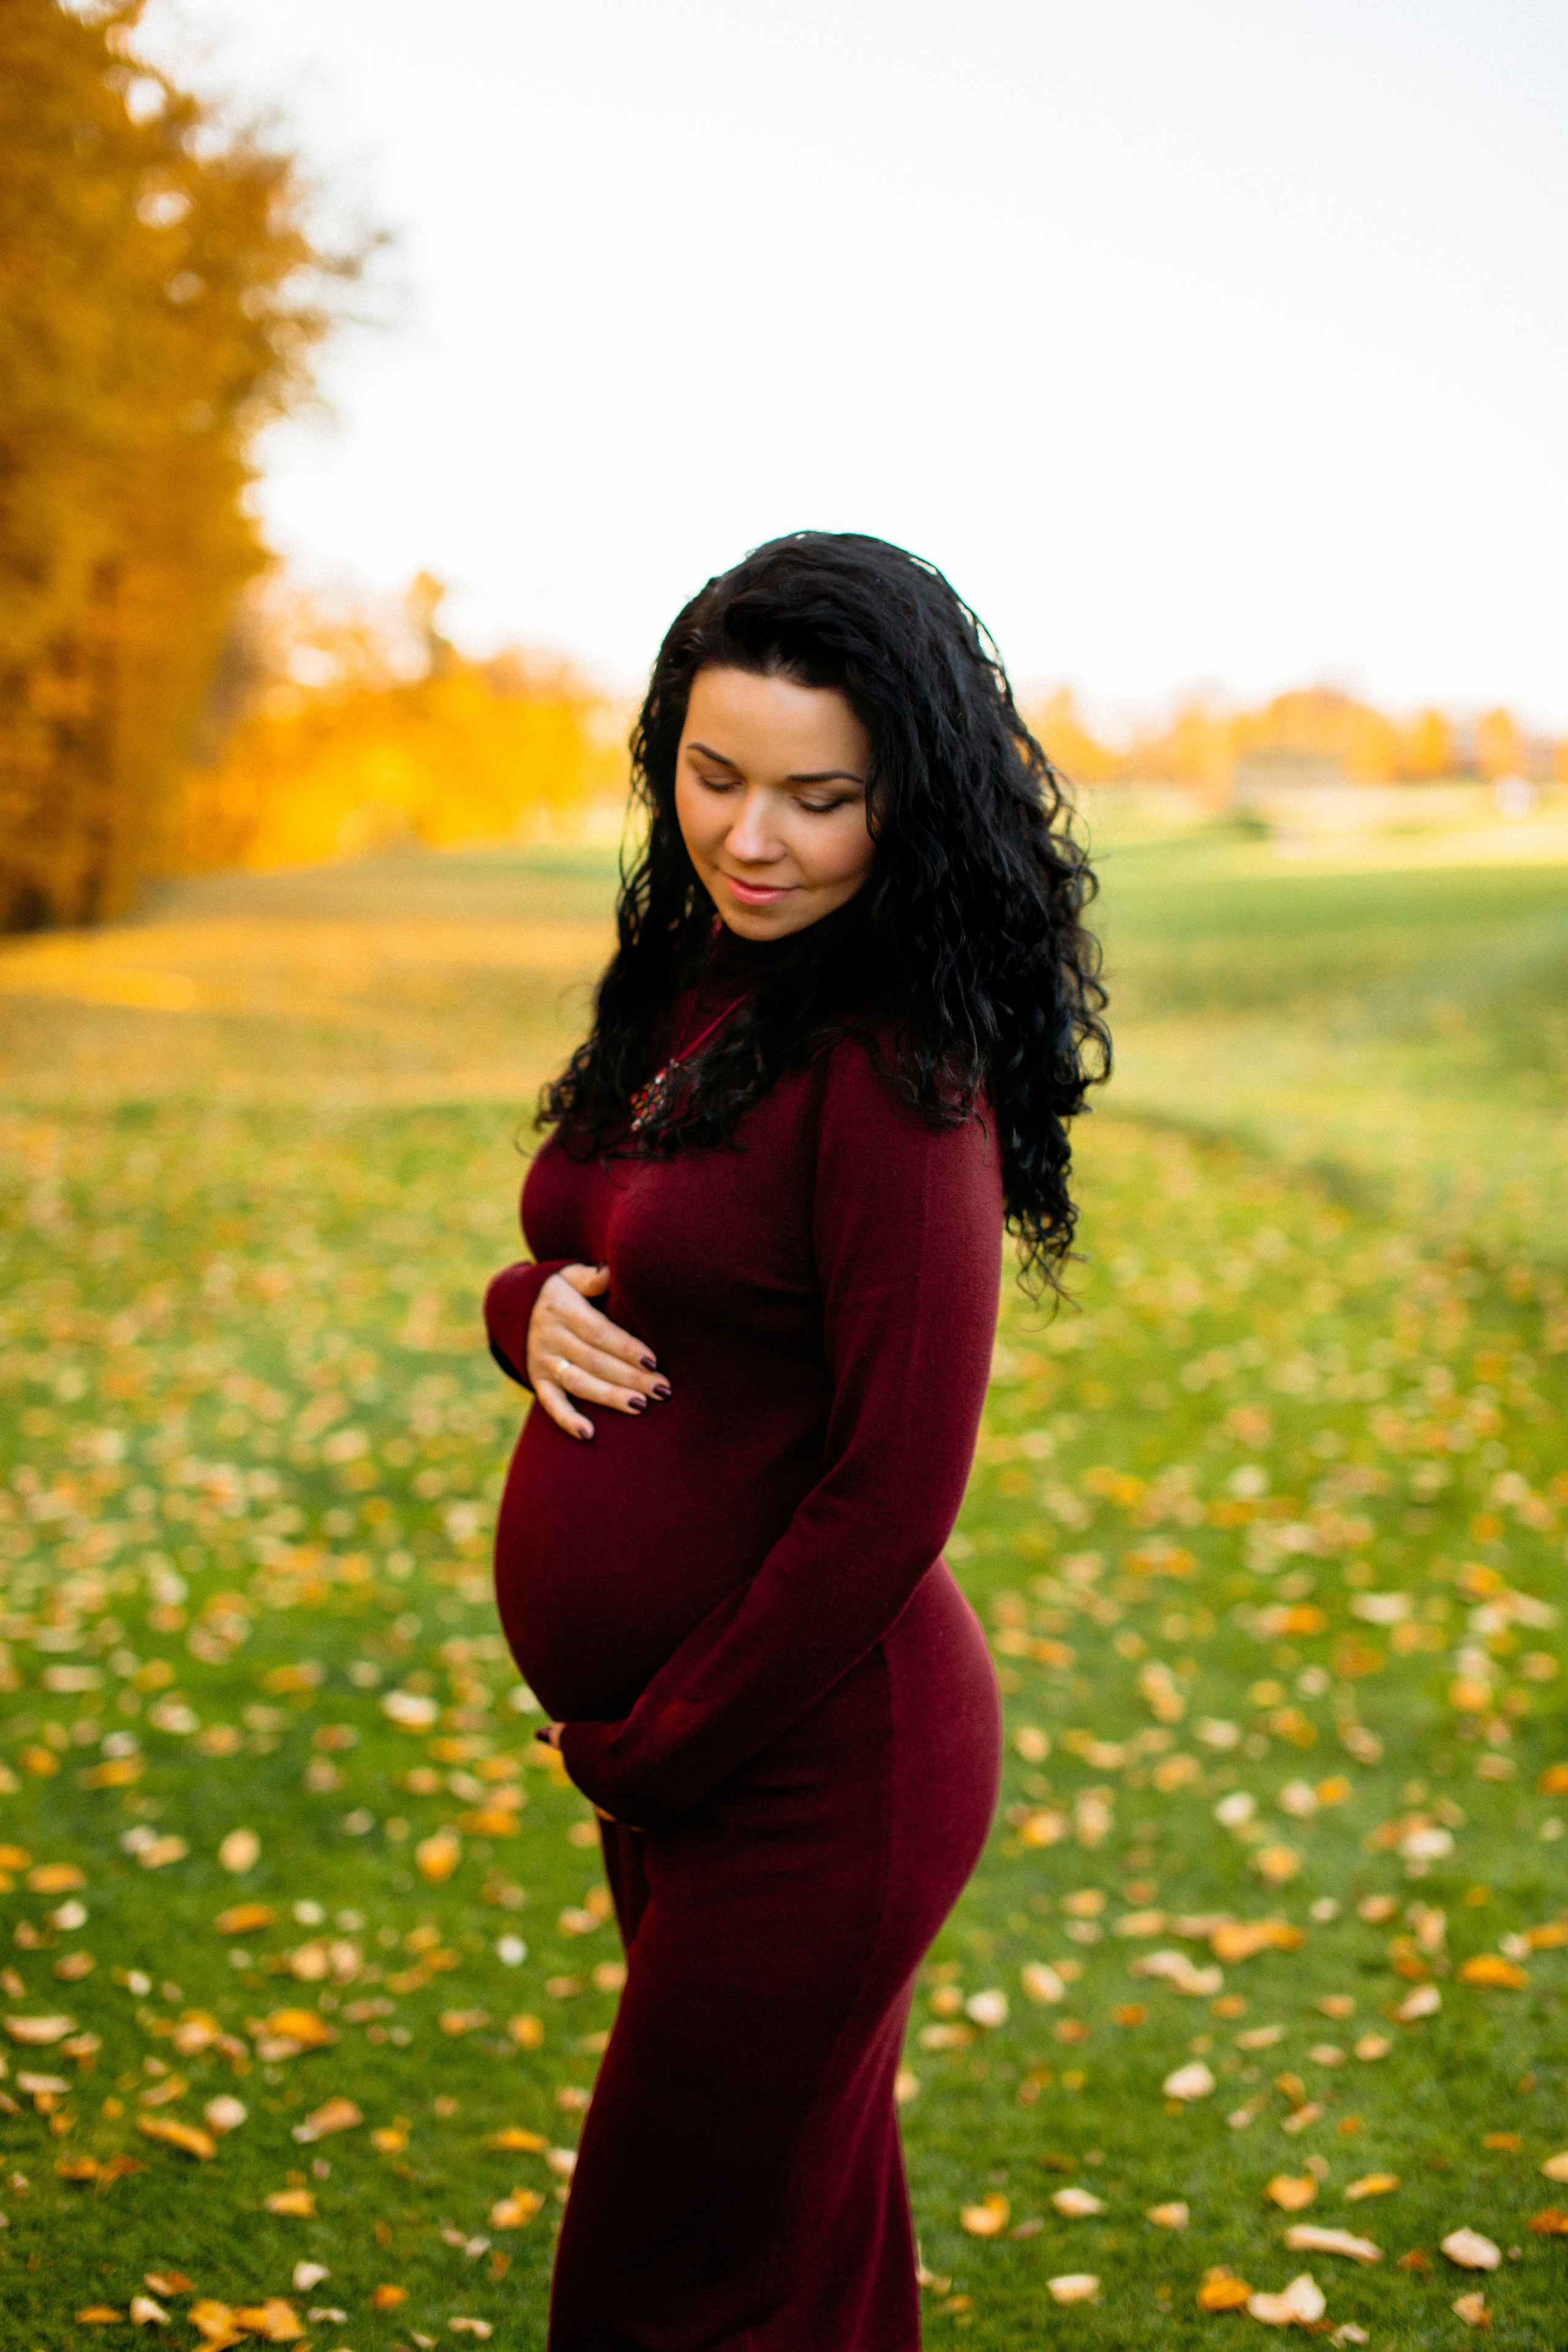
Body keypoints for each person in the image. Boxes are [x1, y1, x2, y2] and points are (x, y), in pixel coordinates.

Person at [484, 530, 1107, 2350]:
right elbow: (577, 1231)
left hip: (817, 1763)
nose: (753, 839)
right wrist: (519, 1316)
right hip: (694, 1754)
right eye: (715, 774)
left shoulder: (897, 1074)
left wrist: (671, 1743)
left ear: (905, 804)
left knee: (665, 2283)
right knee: (796, 2250)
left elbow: (897, 1492)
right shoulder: (699, 983)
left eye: (819, 799)